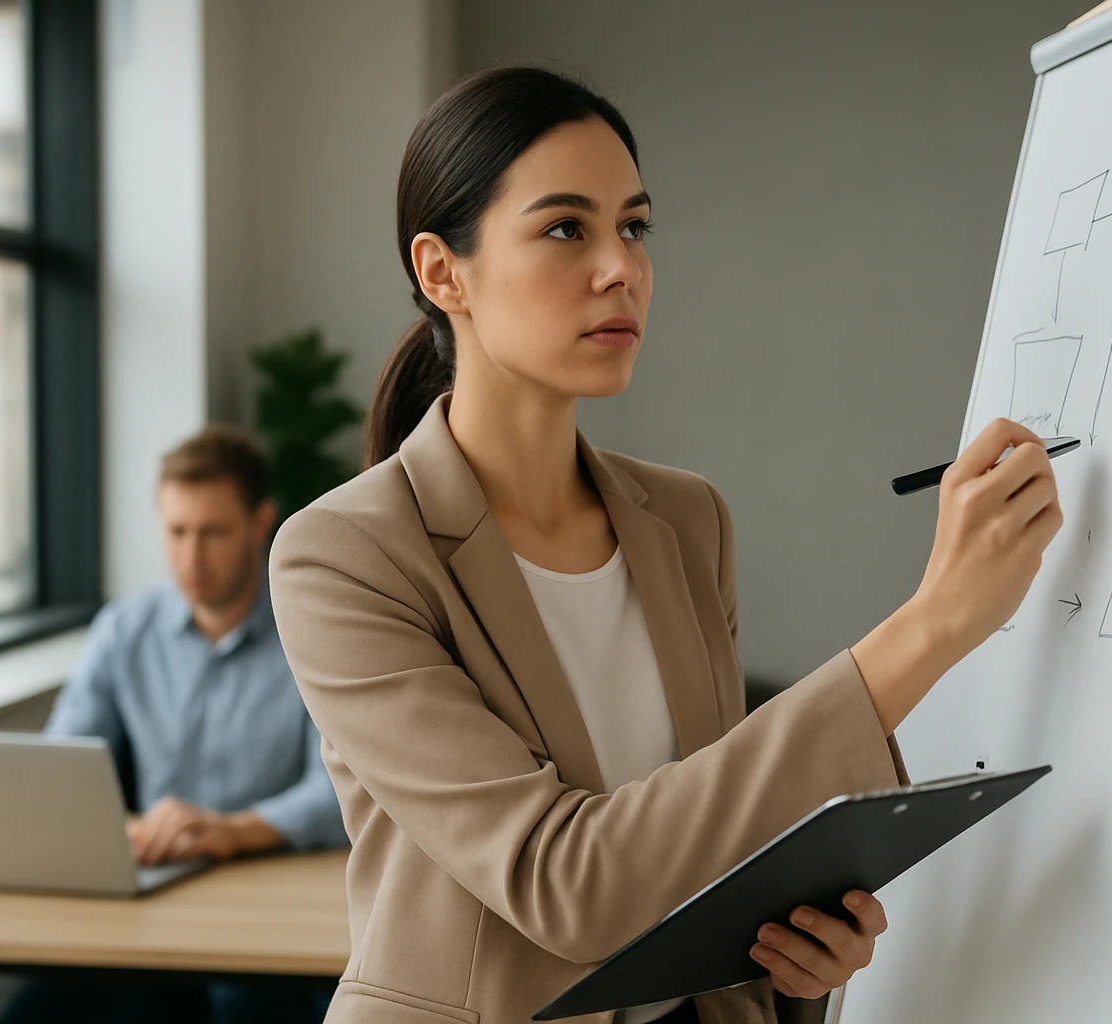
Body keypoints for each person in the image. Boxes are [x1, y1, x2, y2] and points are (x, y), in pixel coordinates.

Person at [268, 68, 1062, 1024]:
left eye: (635, 226)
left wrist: (798, 954)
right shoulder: (342, 558)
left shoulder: (688, 521)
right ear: (443, 273)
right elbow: (567, 882)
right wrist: (933, 625)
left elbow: (714, 843)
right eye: (567, 229)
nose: (622, 267)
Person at [0, 425, 346, 1024]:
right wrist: (124, 829)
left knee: (247, 1009)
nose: (192, 558)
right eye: (177, 531)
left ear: (260, 523)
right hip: (154, 898)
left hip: (271, 901)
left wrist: (233, 831)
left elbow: (340, 791)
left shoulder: (314, 631)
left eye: (213, 533)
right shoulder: (123, 630)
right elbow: (64, 762)